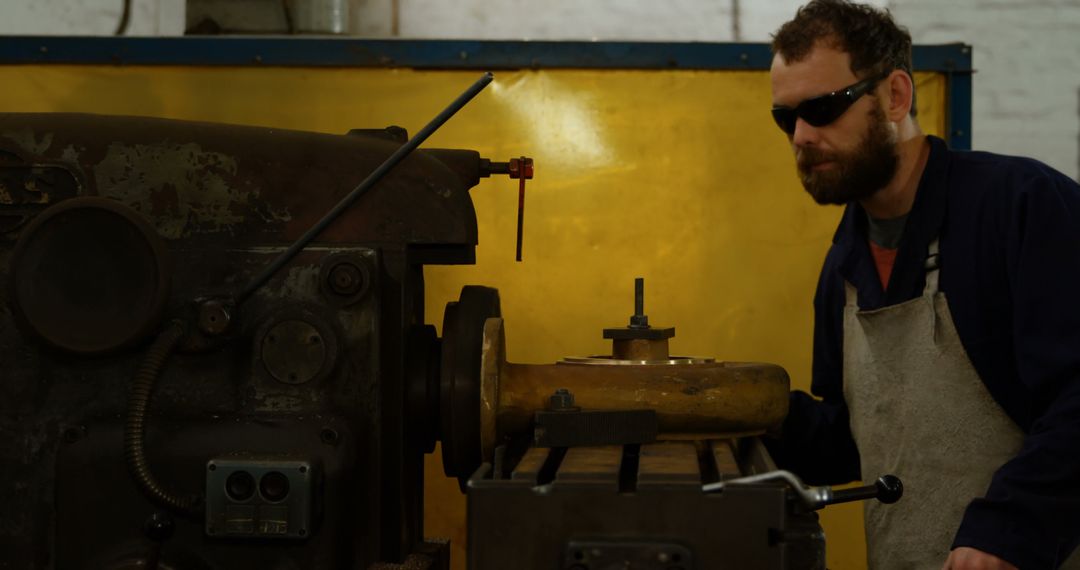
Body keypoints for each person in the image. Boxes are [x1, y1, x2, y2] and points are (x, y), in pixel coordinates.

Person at [763, 1, 1080, 569]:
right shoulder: (843, 268)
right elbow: (862, 438)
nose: (803, 137)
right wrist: (745, 411)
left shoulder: (1020, 206)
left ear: (895, 96)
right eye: (786, 119)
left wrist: (1010, 528)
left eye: (822, 109)